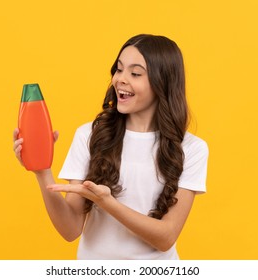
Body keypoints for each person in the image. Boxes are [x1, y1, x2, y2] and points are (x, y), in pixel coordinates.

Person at [13, 34, 209, 259]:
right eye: (119, 69)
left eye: (135, 73)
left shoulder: (192, 149)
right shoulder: (90, 135)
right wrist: (42, 172)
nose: (120, 79)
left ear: (162, 82)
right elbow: (70, 230)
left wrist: (107, 203)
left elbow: (166, 237)